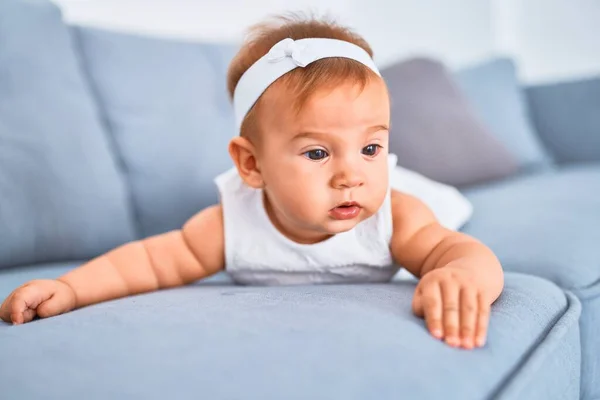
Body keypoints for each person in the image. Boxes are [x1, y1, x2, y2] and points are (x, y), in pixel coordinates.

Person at [0, 14, 503, 350]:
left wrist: (461, 276)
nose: (351, 174)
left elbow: (464, 254)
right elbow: (150, 261)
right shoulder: (230, 224)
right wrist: (69, 288)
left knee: (442, 205)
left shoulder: (397, 214)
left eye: (371, 147)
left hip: (425, 199)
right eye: (317, 152)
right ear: (251, 165)